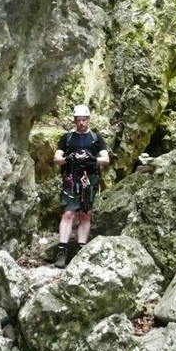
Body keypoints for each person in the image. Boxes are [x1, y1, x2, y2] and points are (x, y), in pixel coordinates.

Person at [53, 104, 109, 269]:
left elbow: (106, 160)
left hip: (89, 178)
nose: (82, 123)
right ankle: (62, 251)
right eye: (79, 120)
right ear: (74, 121)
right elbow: (56, 159)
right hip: (71, 177)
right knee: (68, 213)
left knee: (85, 214)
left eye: (84, 120)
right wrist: (70, 158)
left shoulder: (95, 138)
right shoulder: (67, 138)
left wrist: (92, 159)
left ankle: (81, 251)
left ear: (88, 120)